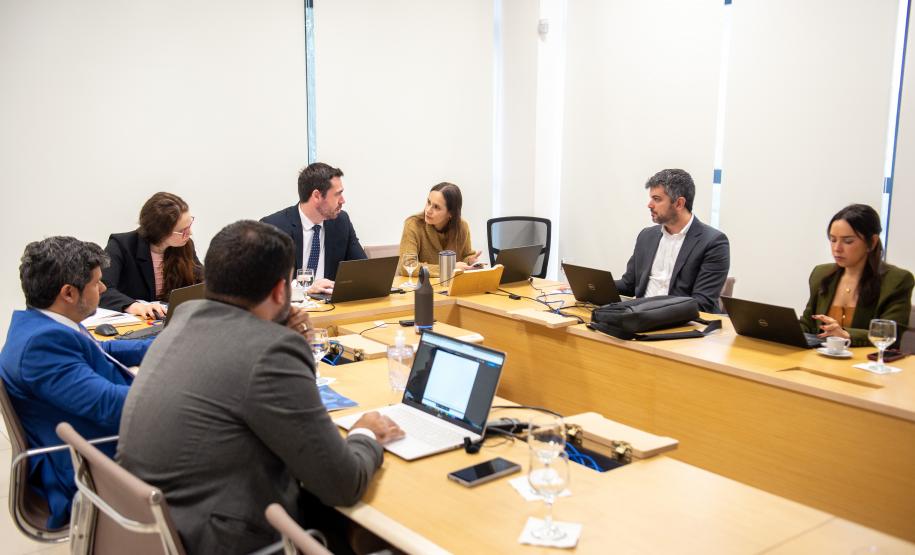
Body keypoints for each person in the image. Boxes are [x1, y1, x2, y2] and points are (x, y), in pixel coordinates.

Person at [117, 220, 403, 554]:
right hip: (226, 538)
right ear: (282, 291)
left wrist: (282, 335)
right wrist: (366, 434)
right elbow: (343, 484)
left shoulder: (181, 322)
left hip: (156, 528)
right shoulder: (271, 352)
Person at [0, 237, 149, 529]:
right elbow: (111, 406)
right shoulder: (41, 346)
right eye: (96, 283)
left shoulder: (44, 325)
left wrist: (165, 343)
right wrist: (180, 387)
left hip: (96, 442)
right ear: (68, 293)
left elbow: (100, 351)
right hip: (91, 466)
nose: (104, 289)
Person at [615, 169, 730, 313]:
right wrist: (592, 286)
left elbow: (702, 303)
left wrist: (650, 308)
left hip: (680, 323)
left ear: (679, 203)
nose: (650, 205)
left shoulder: (713, 243)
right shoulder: (646, 236)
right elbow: (628, 285)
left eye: (657, 199)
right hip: (639, 317)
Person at [799, 204, 913, 346]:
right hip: (820, 360)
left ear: (872, 242)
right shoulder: (820, 274)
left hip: (862, 364)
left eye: (848, 241)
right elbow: (808, 324)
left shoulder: (897, 280)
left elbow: (890, 334)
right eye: (833, 239)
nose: (837, 248)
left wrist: (846, 334)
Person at [261, 162, 366, 294]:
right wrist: (305, 288)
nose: (342, 200)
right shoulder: (274, 227)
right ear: (316, 196)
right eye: (337, 194)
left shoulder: (341, 222)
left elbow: (362, 268)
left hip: (331, 307)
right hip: (293, 307)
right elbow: (265, 282)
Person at [99, 192, 203, 319]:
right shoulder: (121, 245)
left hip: (171, 321)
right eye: (182, 231)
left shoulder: (184, 245)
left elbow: (202, 281)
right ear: (160, 232)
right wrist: (134, 306)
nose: (190, 233)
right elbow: (102, 289)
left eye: (189, 225)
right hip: (136, 324)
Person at [397, 182, 481, 278]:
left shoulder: (462, 227)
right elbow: (406, 266)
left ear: (451, 213)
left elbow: (465, 256)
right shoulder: (413, 224)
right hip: (420, 289)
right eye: (428, 202)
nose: (428, 210)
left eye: (436, 207)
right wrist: (449, 268)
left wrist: (471, 261)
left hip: (449, 287)